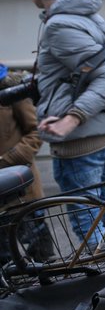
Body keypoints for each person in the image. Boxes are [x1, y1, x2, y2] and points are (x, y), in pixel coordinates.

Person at [20, 0, 105, 249]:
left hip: (81, 141)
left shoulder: (60, 25)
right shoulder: (90, 17)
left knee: (87, 221)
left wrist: (71, 118)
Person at [0, 64, 53, 261]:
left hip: (20, 186)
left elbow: (36, 131)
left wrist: (9, 160)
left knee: (41, 258)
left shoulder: (9, 88)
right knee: (4, 263)